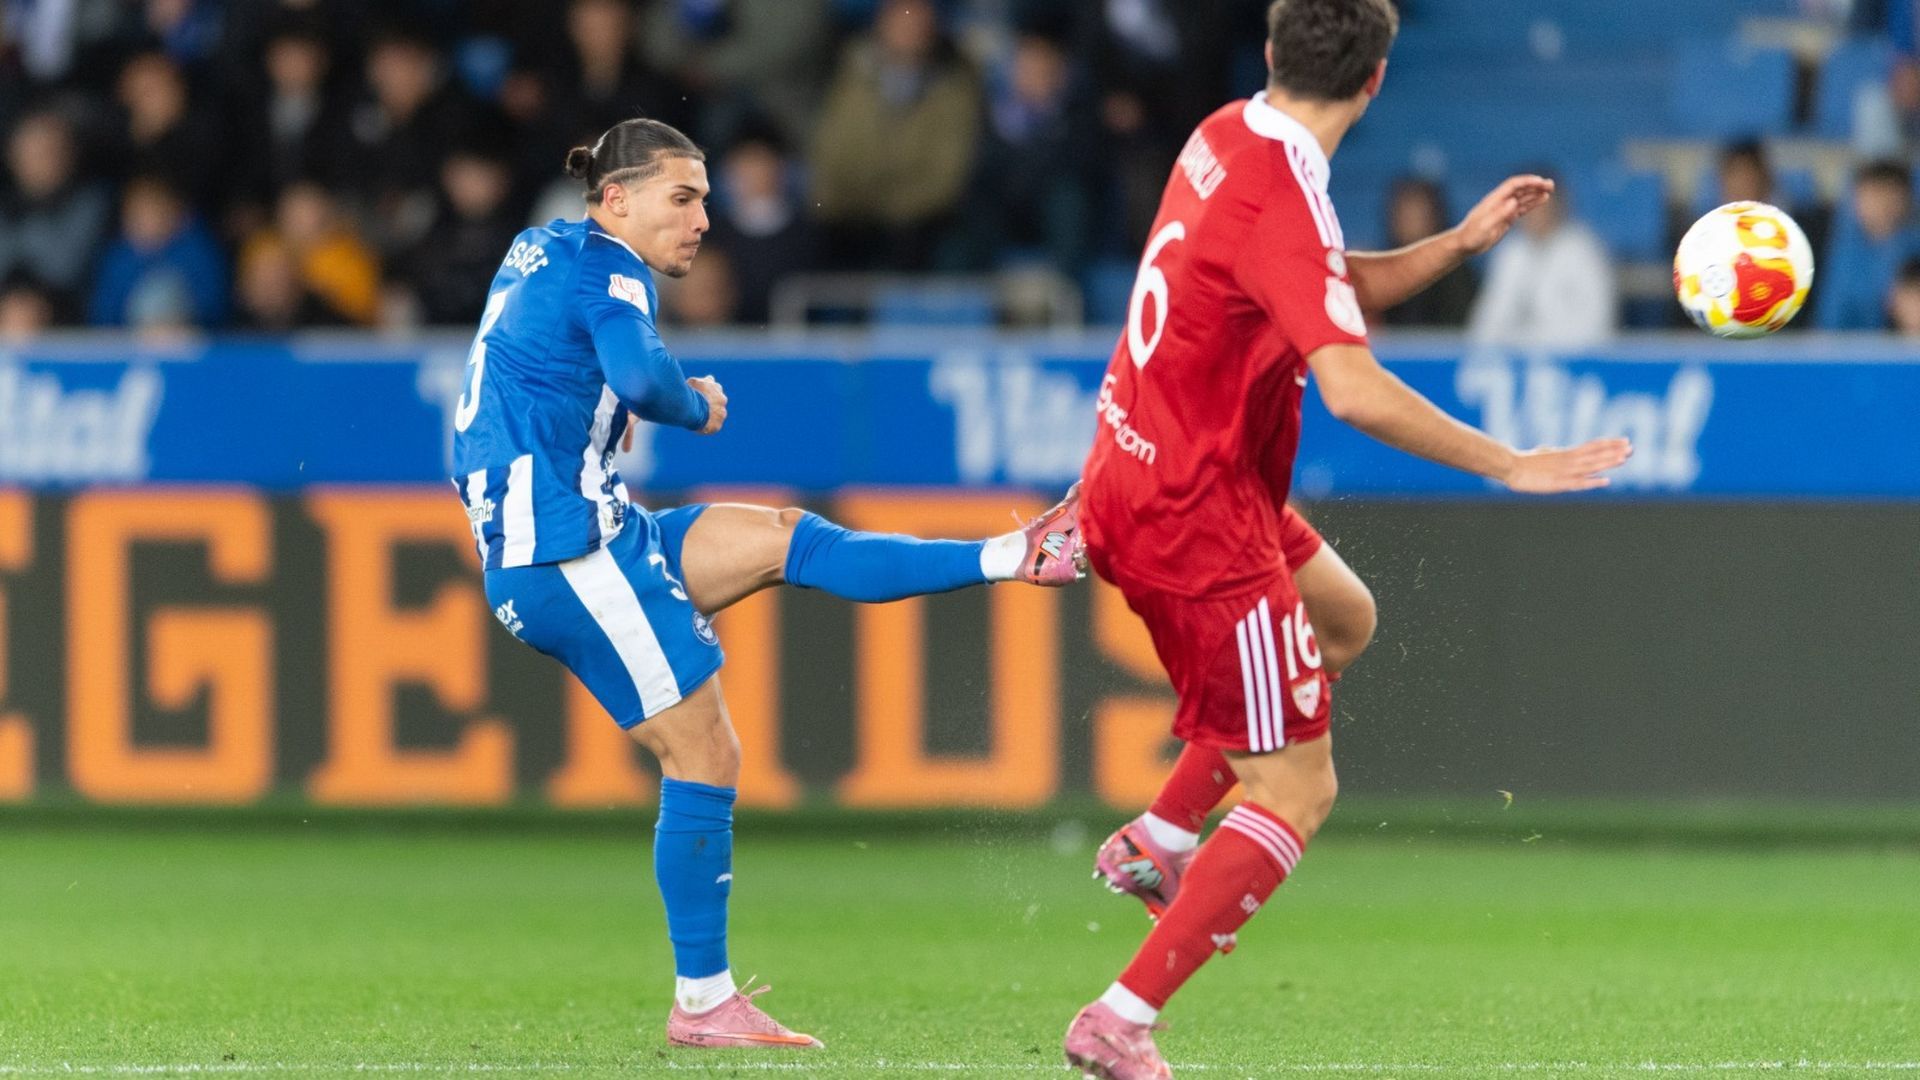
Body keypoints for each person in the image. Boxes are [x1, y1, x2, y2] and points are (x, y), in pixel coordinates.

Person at [1065, 3, 1632, 1076]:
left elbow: (1308, 282)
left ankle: (1163, 839)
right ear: (1377, 81)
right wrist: (1509, 462)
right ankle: (1121, 1018)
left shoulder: (1230, 133)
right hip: (1194, 512)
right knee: (1298, 789)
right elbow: (1355, 389)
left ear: (1272, 53)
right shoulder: (1283, 187)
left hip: (1156, 467)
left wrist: (1453, 246)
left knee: (1343, 618)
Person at [449, 117, 1086, 1051]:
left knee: (785, 538)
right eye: (683, 198)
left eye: (705, 199)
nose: (703, 220)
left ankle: (1013, 553)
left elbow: (540, 369)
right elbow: (640, 376)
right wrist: (692, 402)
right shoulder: (611, 269)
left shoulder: (540, 246)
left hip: (587, 527)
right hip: (567, 550)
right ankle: (704, 1002)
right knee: (705, 754)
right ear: (616, 200)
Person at [1465, 171, 1618, 351]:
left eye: (1540, 205)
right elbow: (1488, 321)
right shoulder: (1511, 251)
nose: (1534, 214)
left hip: (1573, 359)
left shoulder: (1584, 250)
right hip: (1515, 357)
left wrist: (1531, 341)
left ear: (1558, 205)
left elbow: (1597, 325)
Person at [1815, 160, 1920, 330]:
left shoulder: (1914, 248)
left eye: (1889, 193)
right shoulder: (1840, 249)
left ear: (1907, 198)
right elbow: (1829, 320)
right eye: (1872, 194)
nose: (1881, 204)